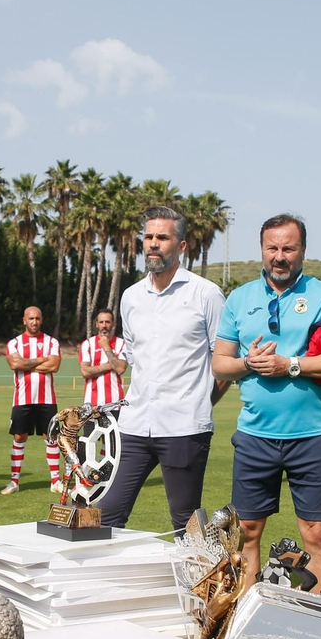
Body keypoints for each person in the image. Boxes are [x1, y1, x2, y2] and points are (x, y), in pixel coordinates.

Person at [213, 214, 321, 588]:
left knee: (316, 532)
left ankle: (319, 614)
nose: (280, 256)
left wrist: (288, 364)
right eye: (272, 248)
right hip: (255, 435)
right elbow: (220, 365)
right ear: (261, 249)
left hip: (313, 435)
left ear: (302, 249)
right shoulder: (240, 298)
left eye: (288, 248)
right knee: (248, 531)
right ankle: (245, 613)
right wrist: (247, 362)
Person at [98, 205, 226, 529]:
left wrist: (200, 403)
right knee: (107, 514)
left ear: (181, 246)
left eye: (163, 237)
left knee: (185, 523)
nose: (153, 243)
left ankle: (197, 581)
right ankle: (108, 581)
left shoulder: (206, 294)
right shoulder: (130, 297)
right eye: (149, 236)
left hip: (185, 428)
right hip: (134, 425)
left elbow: (222, 363)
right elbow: (135, 357)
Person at [1, 306, 63, 494]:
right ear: (24, 320)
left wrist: (26, 364)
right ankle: (14, 482)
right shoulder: (15, 343)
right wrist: (42, 359)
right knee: (19, 437)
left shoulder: (51, 341)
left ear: (41, 320)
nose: (34, 321)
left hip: (47, 398)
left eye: (37, 318)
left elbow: (55, 365)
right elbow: (15, 364)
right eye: (31, 318)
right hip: (22, 399)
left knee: (51, 438)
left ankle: (55, 481)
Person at [79, 309, 127, 406]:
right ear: (97, 324)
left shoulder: (122, 344)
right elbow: (85, 372)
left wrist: (106, 347)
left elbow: (120, 369)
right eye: (101, 322)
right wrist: (110, 366)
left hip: (115, 403)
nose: (104, 325)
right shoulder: (87, 344)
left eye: (107, 322)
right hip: (91, 403)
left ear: (113, 324)